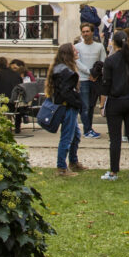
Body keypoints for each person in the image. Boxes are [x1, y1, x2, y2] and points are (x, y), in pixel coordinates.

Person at [99, 31, 129, 180]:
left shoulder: (110, 60)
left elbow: (105, 84)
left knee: (115, 138)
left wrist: (102, 105)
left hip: (116, 100)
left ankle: (114, 171)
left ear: (113, 43)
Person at [48, 43, 85, 178]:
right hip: (68, 107)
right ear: (68, 53)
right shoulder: (66, 71)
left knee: (75, 135)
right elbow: (66, 92)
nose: (77, 52)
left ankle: (73, 162)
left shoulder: (59, 68)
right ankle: (62, 168)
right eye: (75, 51)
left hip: (66, 105)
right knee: (67, 137)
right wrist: (77, 102)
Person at [73, 23, 104, 138]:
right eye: (83, 32)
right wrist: (89, 72)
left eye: (87, 31)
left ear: (92, 32)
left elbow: (102, 61)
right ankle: (87, 130)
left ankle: (89, 128)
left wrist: (96, 74)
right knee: (85, 106)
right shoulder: (77, 47)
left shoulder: (99, 47)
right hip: (84, 79)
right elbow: (77, 62)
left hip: (95, 79)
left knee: (91, 106)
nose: (85, 34)